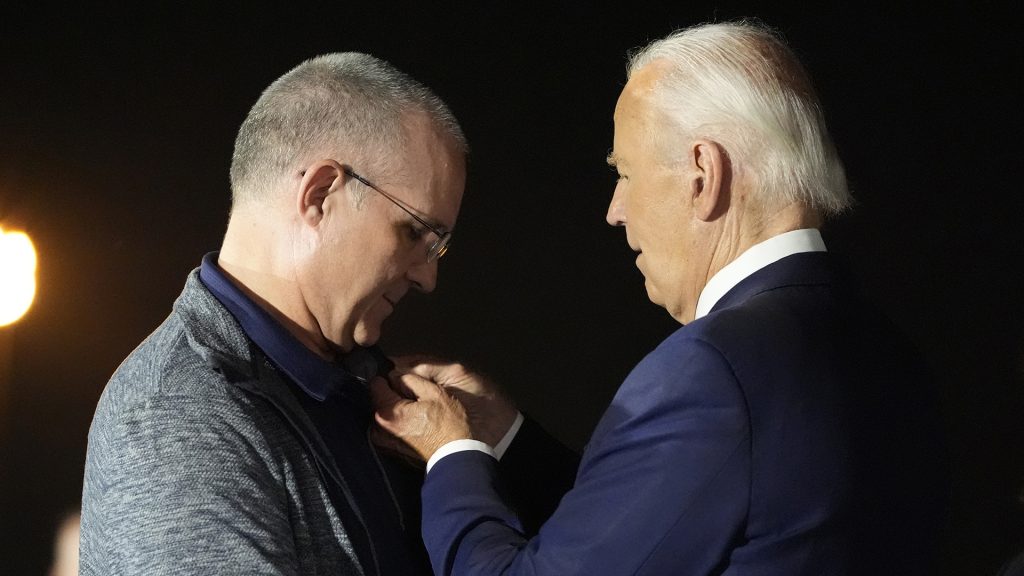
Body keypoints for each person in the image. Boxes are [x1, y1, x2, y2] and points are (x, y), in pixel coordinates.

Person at [373, 20, 947, 575]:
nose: (614, 211)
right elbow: (663, 526)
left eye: (625, 172)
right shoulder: (893, 354)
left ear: (703, 174)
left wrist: (451, 454)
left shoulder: (713, 372)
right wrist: (505, 437)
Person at [80, 52, 477, 575]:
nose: (427, 277)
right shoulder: (176, 413)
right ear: (319, 194)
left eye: (437, 248)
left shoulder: (362, 389)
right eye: (413, 233)